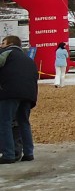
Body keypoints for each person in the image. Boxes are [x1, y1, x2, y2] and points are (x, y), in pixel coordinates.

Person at [0, 34, 38, 164]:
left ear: (9, 43)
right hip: (29, 94)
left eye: (3, 42)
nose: (1, 45)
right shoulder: (27, 58)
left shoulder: (6, 53)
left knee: (5, 122)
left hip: (9, 92)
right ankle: (28, 153)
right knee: (23, 122)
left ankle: (8, 154)